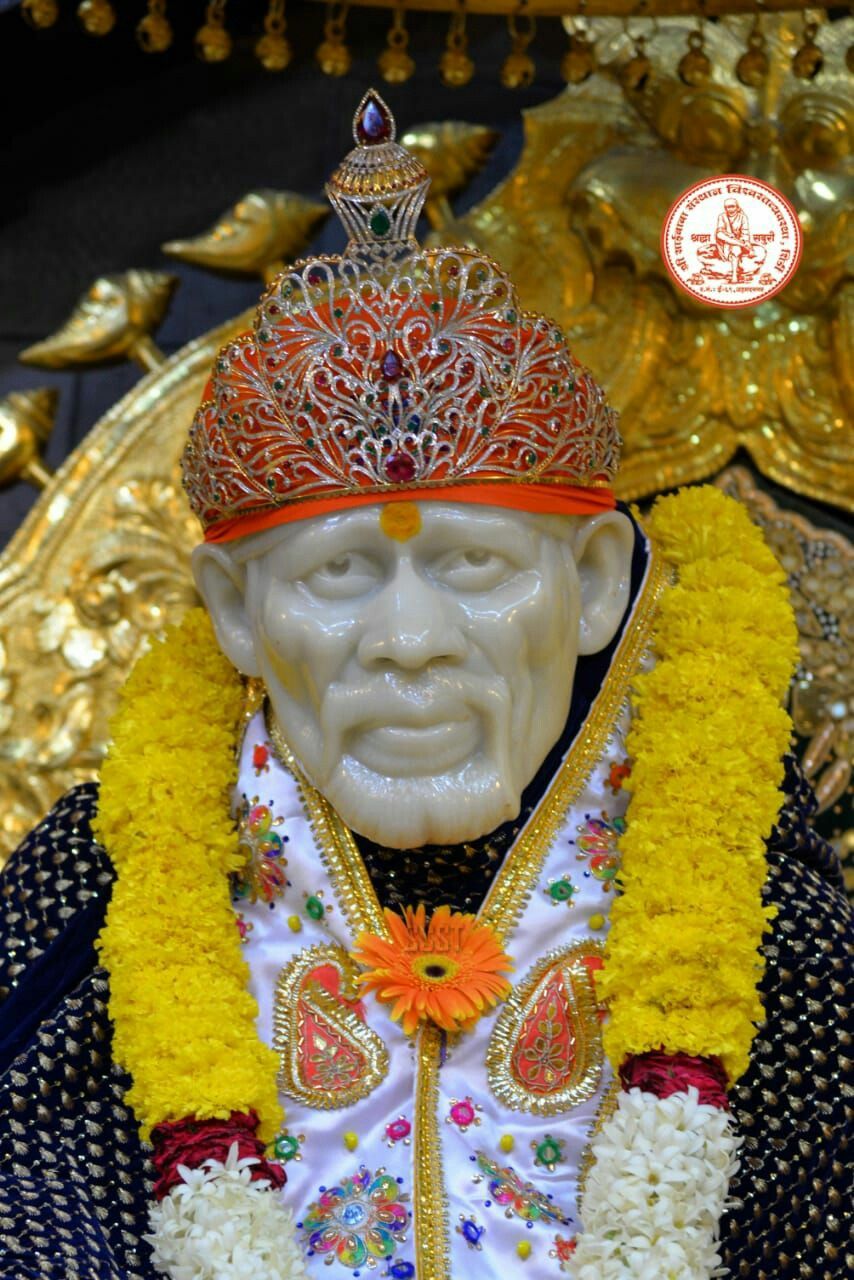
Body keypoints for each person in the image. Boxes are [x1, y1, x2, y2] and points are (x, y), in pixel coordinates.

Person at [0, 93, 848, 1280]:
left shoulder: (736, 876)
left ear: (593, 583)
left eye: (473, 566)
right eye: (337, 572)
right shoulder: (111, 881)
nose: (407, 641)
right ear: (236, 609)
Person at [697, 197, 766, 282]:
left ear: (737, 207)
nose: (729, 209)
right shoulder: (722, 216)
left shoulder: (743, 217)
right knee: (719, 234)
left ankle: (734, 275)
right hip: (725, 241)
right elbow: (720, 230)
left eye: (732, 206)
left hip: (737, 241)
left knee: (735, 248)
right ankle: (741, 245)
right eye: (727, 207)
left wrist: (743, 241)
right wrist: (729, 235)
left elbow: (745, 233)